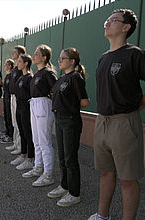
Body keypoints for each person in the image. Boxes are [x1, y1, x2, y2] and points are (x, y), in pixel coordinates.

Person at [88, 9, 145, 220]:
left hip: (124, 124)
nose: (107, 23)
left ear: (126, 27)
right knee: (106, 173)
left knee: (128, 179)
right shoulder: (103, 58)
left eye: (113, 20)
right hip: (102, 121)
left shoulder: (135, 54)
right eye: (107, 20)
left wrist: (138, 103)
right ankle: (101, 215)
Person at [48, 48, 90, 207]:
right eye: (59, 58)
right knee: (62, 156)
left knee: (70, 157)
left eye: (63, 58)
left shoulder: (75, 77)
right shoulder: (62, 78)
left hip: (70, 120)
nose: (59, 61)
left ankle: (74, 193)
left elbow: (85, 102)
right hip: (59, 119)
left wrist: (69, 106)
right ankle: (64, 185)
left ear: (72, 61)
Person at [29, 44, 57, 187]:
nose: (33, 56)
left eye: (37, 54)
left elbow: (56, 89)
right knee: (36, 140)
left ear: (44, 58)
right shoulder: (37, 73)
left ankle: (48, 174)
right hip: (34, 104)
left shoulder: (47, 72)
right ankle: (38, 167)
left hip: (43, 104)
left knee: (45, 141)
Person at [10, 55, 35, 171]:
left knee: (28, 132)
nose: (17, 63)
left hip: (26, 107)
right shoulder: (20, 78)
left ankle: (30, 159)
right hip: (19, 107)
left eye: (20, 61)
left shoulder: (30, 78)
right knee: (21, 131)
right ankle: (23, 155)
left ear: (26, 64)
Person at [6, 45, 26, 154]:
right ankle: (15, 143)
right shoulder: (15, 69)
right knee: (14, 122)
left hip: (18, 97)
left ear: (20, 54)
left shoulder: (21, 68)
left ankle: (20, 146)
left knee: (18, 123)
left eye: (15, 52)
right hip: (12, 96)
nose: (12, 53)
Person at [0, 59, 15, 144]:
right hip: (5, 96)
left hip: (9, 97)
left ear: (10, 66)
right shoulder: (7, 75)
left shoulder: (12, 75)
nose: (4, 65)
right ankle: (7, 132)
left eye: (6, 64)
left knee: (10, 116)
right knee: (6, 116)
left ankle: (11, 135)